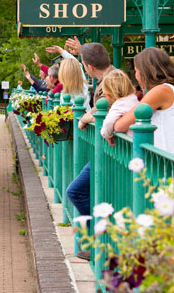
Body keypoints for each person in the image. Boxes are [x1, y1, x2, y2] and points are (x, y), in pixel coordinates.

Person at [65, 42, 115, 261]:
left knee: (75, 191)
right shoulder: (110, 76)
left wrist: (85, 117)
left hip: (110, 151)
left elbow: (107, 104)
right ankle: (99, 242)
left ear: (88, 67)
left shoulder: (112, 79)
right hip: (106, 148)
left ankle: (101, 242)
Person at [114, 47, 174, 162]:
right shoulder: (171, 90)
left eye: (136, 71)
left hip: (169, 166)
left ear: (146, 71)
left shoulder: (161, 91)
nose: (136, 76)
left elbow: (119, 125)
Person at [100, 70, 139, 145]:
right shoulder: (133, 99)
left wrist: (107, 135)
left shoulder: (119, 104)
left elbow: (108, 122)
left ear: (110, 94)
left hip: (129, 144)